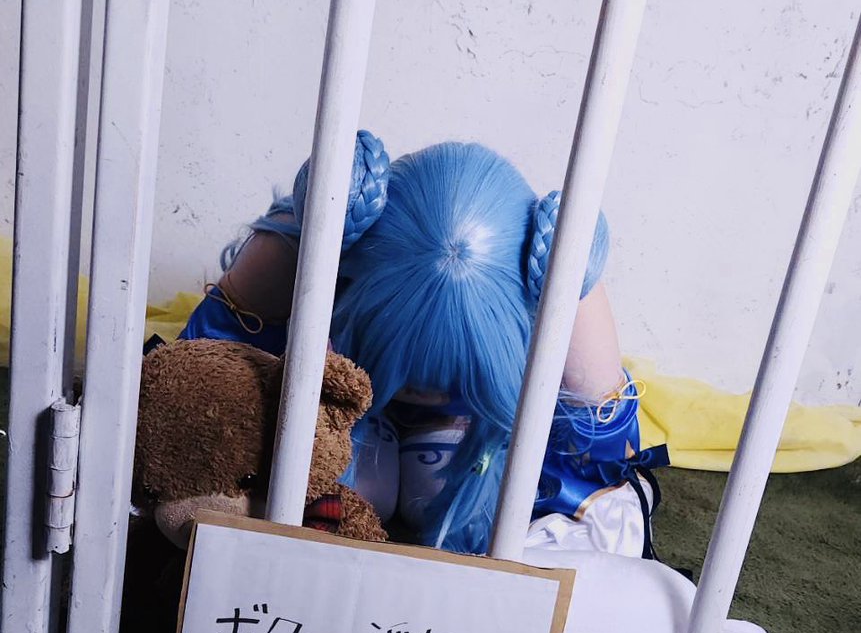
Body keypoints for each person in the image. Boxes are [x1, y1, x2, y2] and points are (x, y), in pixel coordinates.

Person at [181, 131, 668, 556]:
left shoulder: (561, 281)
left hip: (477, 421)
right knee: (344, 480)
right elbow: (199, 374)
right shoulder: (304, 244)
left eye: (449, 373)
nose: (424, 391)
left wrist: (576, 303)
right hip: (346, 398)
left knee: (463, 499)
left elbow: (601, 458)